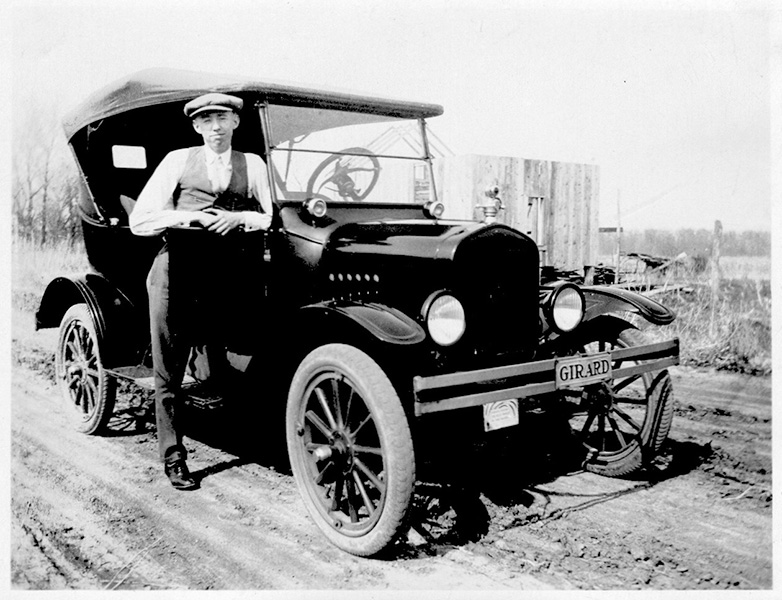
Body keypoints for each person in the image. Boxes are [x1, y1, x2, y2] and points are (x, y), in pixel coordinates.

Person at [130, 92, 273, 490]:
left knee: (237, 351)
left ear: (235, 123)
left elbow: (270, 216)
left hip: (227, 273)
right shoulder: (179, 160)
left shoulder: (254, 164)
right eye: (206, 120)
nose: (215, 127)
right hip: (176, 270)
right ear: (196, 126)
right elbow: (141, 220)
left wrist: (240, 218)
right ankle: (173, 456)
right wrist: (190, 217)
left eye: (222, 118)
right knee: (169, 368)